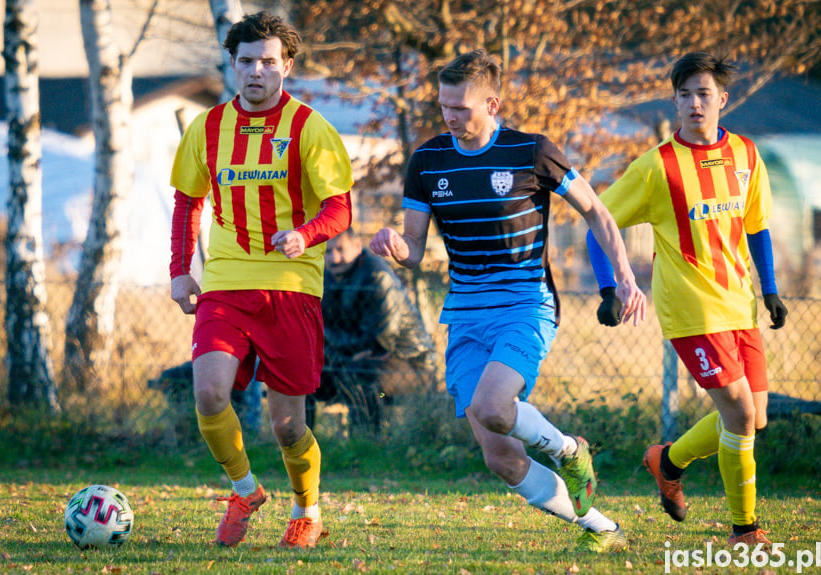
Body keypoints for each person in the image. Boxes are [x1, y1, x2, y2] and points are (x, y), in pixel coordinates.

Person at [370, 50, 646, 552]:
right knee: (502, 457)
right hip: (465, 312)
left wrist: (624, 277)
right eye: (443, 106)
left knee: (495, 406)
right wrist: (395, 245)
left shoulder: (532, 151)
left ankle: (568, 449)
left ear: (492, 103)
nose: (450, 117)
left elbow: (599, 214)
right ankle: (602, 528)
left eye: (461, 108)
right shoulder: (428, 162)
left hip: (525, 303)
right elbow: (413, 250)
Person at [586, 52, 788, 547]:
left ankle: (668, 460)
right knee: (739, 415)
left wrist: (770, 289)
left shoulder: (746, 153)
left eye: (703, 94)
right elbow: (597, 221)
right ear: (675, 101)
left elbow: (756, 226)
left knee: (753, 418)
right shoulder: (658, 166)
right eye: (684, 95)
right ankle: (744, 530)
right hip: (691, 310)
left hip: (739, 303)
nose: (694, 103)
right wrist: (609, 288)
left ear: (722, 100)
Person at [168, 11, 353, 549]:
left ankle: (307, 509)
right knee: (207, 393)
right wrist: (182, 272)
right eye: (246, 61)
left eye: (267, 62)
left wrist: (306, 233)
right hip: (226, 283)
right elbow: (187, 203)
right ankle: (244, 490)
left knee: (288, 426)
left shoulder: (309, 128)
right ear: (233, 65)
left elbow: (341, 209)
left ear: (286, 66)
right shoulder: (207, 128)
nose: (256, 72)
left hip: (291, 287)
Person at [315, 227, 437, 432]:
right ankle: (301, 443)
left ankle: (368, 439)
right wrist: (338, 351)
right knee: (303, 371)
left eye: (340, 249)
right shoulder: (325, 277)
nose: (334, 258)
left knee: (360, 374)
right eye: (328, 251)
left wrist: (335, 347)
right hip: (351, 360)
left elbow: (381, 341)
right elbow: (319, 329)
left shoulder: (376, 275)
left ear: (356, 246)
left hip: (410, 367)